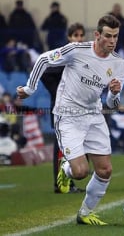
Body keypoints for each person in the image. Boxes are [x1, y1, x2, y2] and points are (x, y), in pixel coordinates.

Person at [16, 15, 124, 225]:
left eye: (116, 36)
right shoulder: (76, 50)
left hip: (93, 114)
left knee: (105, 170)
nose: (112, 41)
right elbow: (43, 60)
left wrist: (113, 94)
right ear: (97, 35)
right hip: (67, 114)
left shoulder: (118, 63)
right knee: (81, 172)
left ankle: (85, 213)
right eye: (108, 36)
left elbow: (112, 105)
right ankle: (66, 169)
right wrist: (30, 88)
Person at [40, 22, 86, 194]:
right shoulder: (63, 55)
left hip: (78, 110)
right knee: (61, 147)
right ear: (69, 37)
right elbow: (45, 73)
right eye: (76, 36)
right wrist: (58, 92)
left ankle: (67, 181)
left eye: (81, 35)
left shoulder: (85, 57)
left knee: (74, 146)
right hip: (61, 109)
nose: (79, 39)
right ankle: (59, 184)